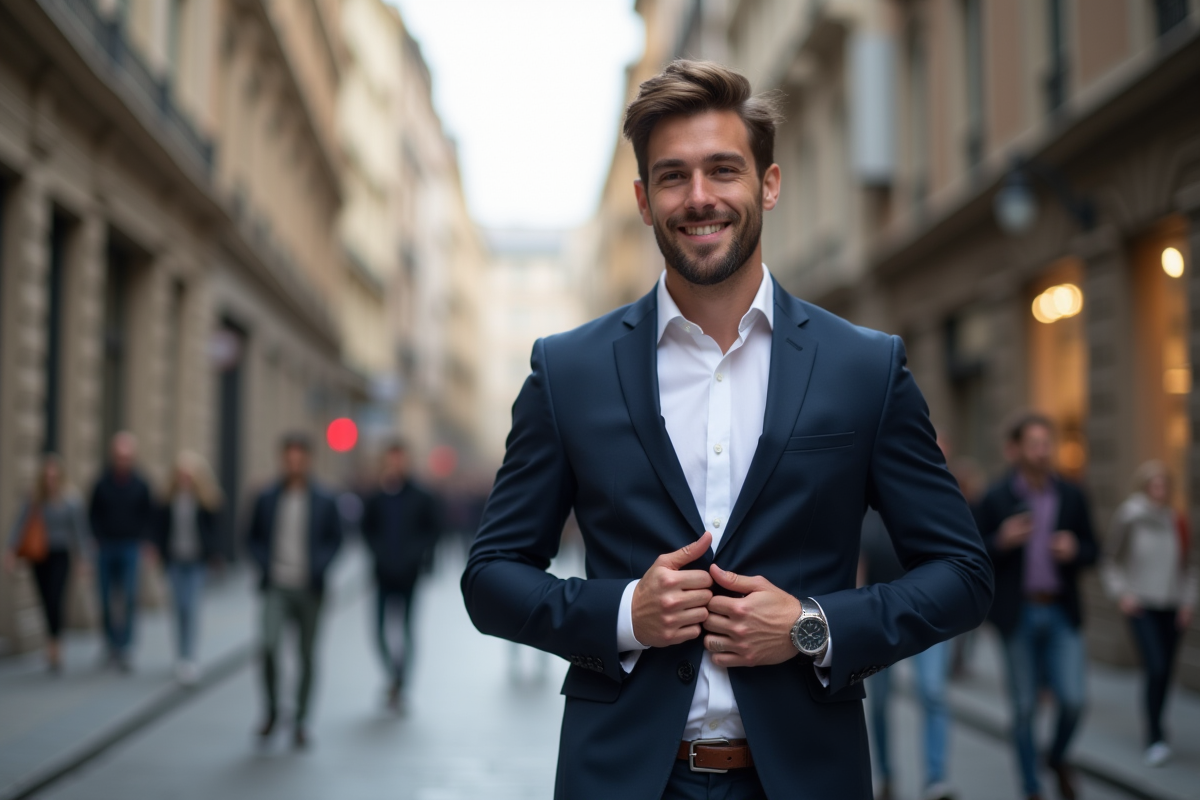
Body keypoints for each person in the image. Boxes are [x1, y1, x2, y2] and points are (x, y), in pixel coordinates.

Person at [462, 59, 993, 800]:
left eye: (723, 169)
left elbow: (964, 576)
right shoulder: (568, 370)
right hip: (622, 778)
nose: (700, 198)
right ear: (645, 202)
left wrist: (812, 626)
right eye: (673, 177)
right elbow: (489, 578)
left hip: (804, 779)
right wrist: (624, 615)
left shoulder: (863, 367)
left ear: (768, 184)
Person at [974, 413, 1098, 800]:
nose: (1043, 451)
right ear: (1016, 451)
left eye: (1048, 443)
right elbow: (972, 556)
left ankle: (1057, 757)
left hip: (1062, 612)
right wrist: (1001, 541)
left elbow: (1094, 550)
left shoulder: (1072, 494)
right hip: (1017, 615)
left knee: (1075, 701)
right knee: (1025, 708)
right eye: (1035, 444)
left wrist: (1077, 550)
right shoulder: (995, 498)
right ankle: (1031, 788)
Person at [246, 432, 343, 748]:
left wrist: (320, 565)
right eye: (289, 459)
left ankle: (301, 721)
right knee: (268, 646)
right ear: (282, 460)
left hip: (310, 589)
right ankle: (273, 711)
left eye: (299, 459)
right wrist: (263, 564)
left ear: (308, 461)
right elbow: (251, 536)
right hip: (275, 586)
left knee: (306, 656)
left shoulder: (325, 499)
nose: (294, 464)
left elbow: (336, 539)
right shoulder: (267, 497)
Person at [1103, 461, 1197, 767]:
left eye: (1164, 485)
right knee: (1155, 667)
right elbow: (1110, 560)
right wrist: (1123, 595)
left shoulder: (1176, 520)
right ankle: (1154, 735)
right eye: (1154, 485)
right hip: (1141, 605)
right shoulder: (1130, 516)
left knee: (1166, 672)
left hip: (1172, 606)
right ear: (1144, 487)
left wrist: (1187, 602)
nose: (1160, 490)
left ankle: (1159, 726)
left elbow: (1189, 565)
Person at [860, 508, 956, 800]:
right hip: (879, 613)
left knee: (933, 690)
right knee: (879, 702)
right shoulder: (865, 509)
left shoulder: (928, 498)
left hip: (927, 611)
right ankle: (887, 774)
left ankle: (936, 780)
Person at [361, 439, 440, 710]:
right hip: (382, 573)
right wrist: (378, 554)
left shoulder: (422, 496)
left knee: (406, 629)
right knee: (379, 630)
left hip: (409, 574)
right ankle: (394, 676)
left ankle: (402, 682)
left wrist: (418, 558)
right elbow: (367, 530)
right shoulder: (376, 497)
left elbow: (432, 531)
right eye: (391, 459)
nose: (396, 464)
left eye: (400, 458)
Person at [4, 454, 90, 672]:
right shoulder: (35, 499)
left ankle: (55, 645)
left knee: (55, 598)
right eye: (47, 476)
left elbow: (80, 532)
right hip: (39, 554)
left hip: (61, 554)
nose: (51, 480)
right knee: (44, 598)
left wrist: (83, 558)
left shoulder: (71, 500)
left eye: (54, 476)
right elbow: (20, 524)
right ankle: (51, 640)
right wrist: (11, 550)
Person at [153, 451, 223, 686]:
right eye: (181, 474)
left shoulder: (206, 500)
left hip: (196, 562)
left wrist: (214, 555)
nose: (184, 479)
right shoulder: (168, 500)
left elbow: (215, 531)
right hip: (174, 560)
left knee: (191, 607)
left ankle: (190, 657)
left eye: (188, 475)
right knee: (178, 608)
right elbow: (160, 529)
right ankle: (180, 655)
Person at [89, 431, 154, 671]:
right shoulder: (101, 483)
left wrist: (146, 542)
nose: (122, 460)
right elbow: (93, 513)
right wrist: (95, 538)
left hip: (130, 547)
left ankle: (125, 647)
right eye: (119, 456)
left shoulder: (141, 484)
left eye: (126, 456)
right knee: (105, 598)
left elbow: (149, 515)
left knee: (127, 597)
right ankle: (110, 644)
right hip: (106, 546)